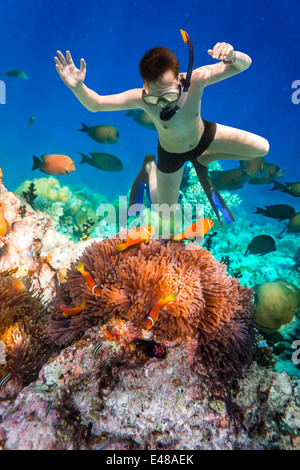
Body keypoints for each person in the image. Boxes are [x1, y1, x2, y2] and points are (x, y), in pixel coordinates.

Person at [54, 32, 269, 234]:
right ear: (144, 86)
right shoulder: (139, 97)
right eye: (153, 99)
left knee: (262, 148)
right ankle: (151, 168)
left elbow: (243, 65)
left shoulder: (196, 79)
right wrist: (78, 87)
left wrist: (232, 56)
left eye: (168, 97)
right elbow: (96, 104)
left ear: (180, 81)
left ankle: (207, 156)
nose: (161, 106)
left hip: (205, 137)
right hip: (170, 153)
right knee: (165, 212)